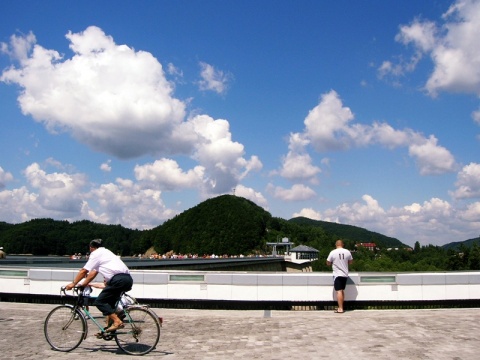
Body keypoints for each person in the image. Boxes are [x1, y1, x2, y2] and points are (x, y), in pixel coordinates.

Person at [65, 239, 133, 333]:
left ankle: (117, 321)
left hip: (117, 280)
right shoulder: (106, 252)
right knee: (110, 305)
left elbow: (84, 271)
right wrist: (84, 284)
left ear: (91, 247)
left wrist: (73, 284)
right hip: (127, 279)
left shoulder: (95, 254)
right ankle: (109, 329)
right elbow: (93, 273)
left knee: (99, 302)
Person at [326, 240, 353, 313]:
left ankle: (340, 308)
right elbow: (350, 262)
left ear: (336, 245)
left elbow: (328, 262)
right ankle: (342, 307)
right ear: (343, 244)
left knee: (338, 291)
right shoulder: (347, 252)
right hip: (345, 274)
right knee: (342, 290)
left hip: (337, 274)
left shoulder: (333, 252)